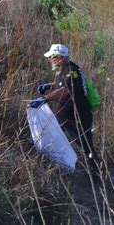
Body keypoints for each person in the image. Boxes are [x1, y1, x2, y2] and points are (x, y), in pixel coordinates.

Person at [28, 44, 100, 176]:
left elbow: (65, 90)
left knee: (86, 147)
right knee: (49, 135)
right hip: (64, 117)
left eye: (52, 57)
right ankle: (49, 164)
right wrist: (48, 87)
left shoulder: (72, 72)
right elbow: (60, 84)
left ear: (61, 57)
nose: (50, 60)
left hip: (77, 118)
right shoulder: (62, 69)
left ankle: (97, 178)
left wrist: (45, 99)